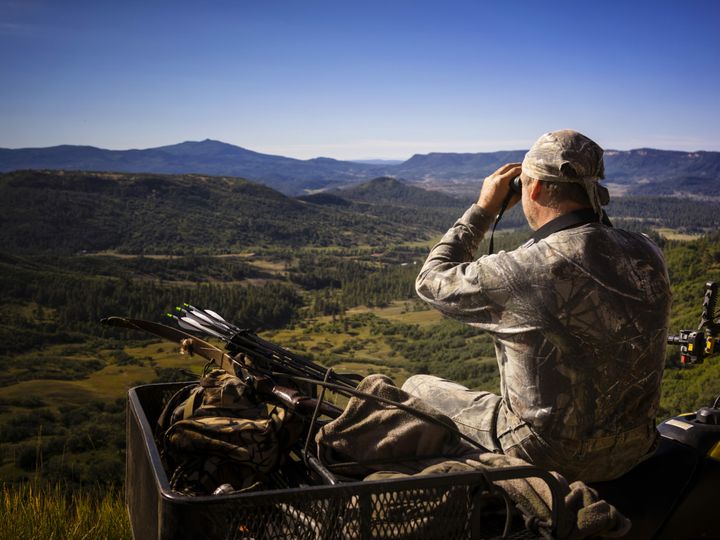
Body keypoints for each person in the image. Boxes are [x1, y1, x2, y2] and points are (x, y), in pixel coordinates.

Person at [402, 130, 671, 482]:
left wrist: (483, 209)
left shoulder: (524, 268)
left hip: (545, 453)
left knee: (416, 387)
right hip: (638, 446)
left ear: (535, 189)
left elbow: (430, 281)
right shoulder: (648, 251)